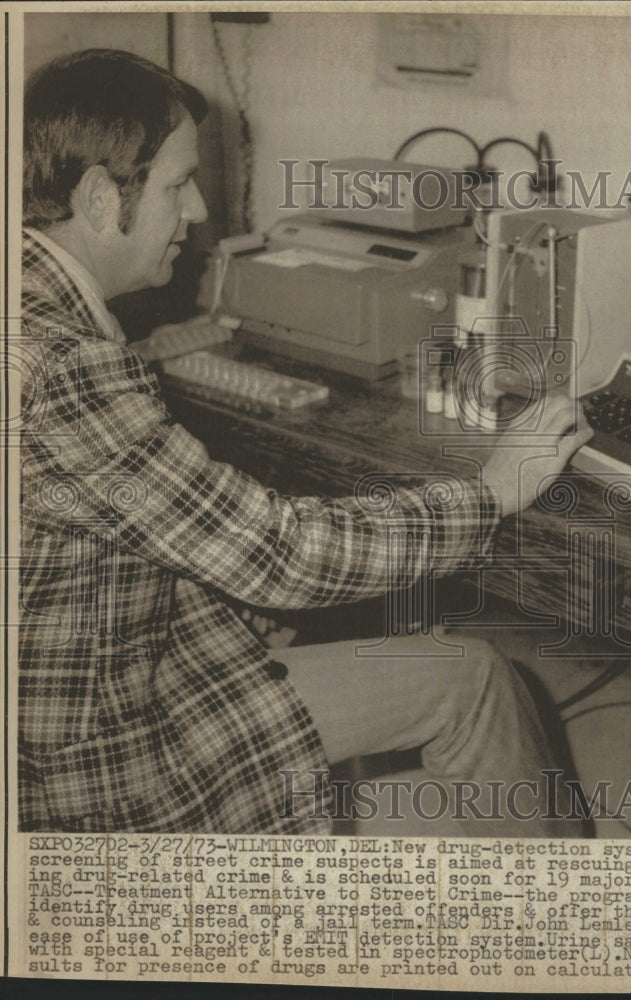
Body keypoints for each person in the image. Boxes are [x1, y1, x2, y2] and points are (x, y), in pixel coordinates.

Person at [18, 49, 594, 835]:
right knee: (475, 674)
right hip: (99, 754)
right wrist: (490, 489)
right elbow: (281, 554)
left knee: (335, 611)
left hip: (60, 693)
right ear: (95, 196)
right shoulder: (68, 369)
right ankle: (553, 927)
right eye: (179, 184)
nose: (195, 215)